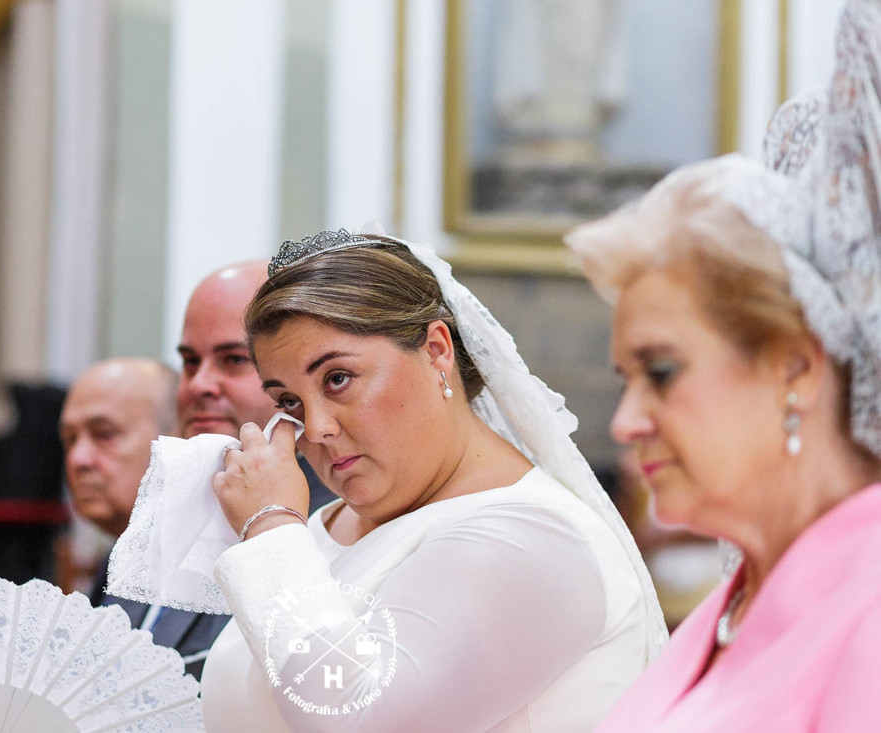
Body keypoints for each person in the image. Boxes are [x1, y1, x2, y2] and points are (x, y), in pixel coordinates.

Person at [197, 229, 666, 731]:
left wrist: (269, 528)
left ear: (437, 351)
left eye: (337, 379)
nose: (315, 428)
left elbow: (358, 721)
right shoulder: (329, 524)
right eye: (288, 401)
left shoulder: (527, 538)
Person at [563, 2, 881, 727]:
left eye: (662, 371)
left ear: (794, 367)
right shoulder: (738, 593)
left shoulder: (870, 611)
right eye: (625, 378)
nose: (626, 420)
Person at [59, 357, 227, 679]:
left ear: (177, 437)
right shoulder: (120, 562)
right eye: (70, 439)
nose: (78, 459)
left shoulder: (226, 557)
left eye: (104, 434)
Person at [177, 260, 335, 509]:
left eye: (234, 359)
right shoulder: (172, 503)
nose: (199, 384)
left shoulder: (331, 520)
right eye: (190, 361)